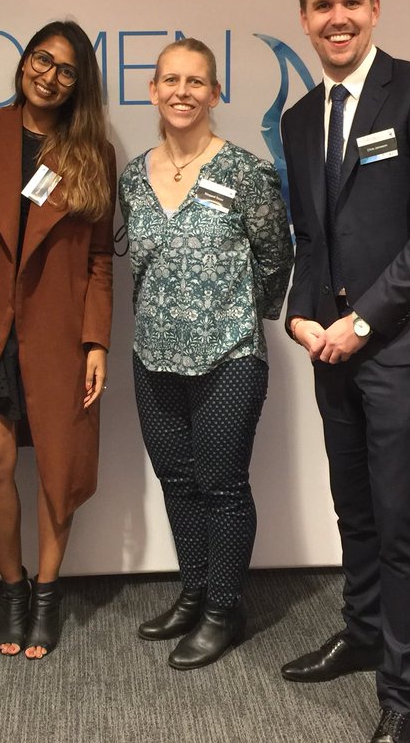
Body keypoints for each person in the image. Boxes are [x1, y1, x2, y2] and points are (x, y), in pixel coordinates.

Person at [278, 0, 410, 743]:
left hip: (405, 347)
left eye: (351, 2)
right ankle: (363, 634)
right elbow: (310, 238)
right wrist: (299, 313)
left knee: (400, 522)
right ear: (303, 19)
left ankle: (404, 694)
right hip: (331, 348)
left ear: (375, 8)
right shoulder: (299, 119)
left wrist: (362, 322)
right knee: (353, 508)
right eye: (323, 5)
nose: (338, 18)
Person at [0, 19, 115, 661]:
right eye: (42, 59)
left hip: (58, 330)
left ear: (78, 84)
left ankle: (47, 592)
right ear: (24, 61)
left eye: (66, 70)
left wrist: (96, 340)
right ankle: (12, 589)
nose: (50, 76)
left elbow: (98, 257)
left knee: (59, 468)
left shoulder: (92, 154)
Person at [118, 38, 292, 670]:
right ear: (153, 90)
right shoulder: (133, 177)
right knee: (177, 480)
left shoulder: (246, 173)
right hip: (152, 354)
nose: (182, 92)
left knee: (222, 485)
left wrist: (236, 313)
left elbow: (276, 258)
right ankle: (193, 592)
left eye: (196, 81)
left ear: (215, 93)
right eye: (171, 80)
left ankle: (224, 609)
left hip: (229, 355)